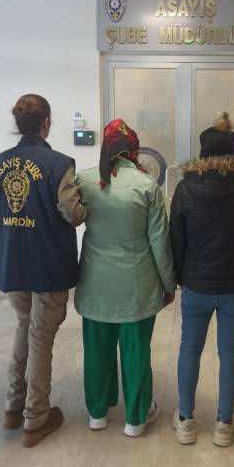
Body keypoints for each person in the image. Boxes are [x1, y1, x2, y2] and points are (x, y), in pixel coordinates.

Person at [0, 93, 86, 448]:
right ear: (46, 123)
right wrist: (88, 204)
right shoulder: (59, 164)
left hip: (11, 262)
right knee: (41, 337)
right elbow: (73, 213)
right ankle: (36, 417)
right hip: (47, 265)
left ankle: (13, 407)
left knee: (25, 326)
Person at [168, 113, 234, 447]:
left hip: (197, 282)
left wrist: (179, 277)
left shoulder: (186, 187)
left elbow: (176, 237)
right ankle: (224, 424)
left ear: (203, 153)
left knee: (189, 347)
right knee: (231, 351)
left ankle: (185, 420)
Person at [74, 119, 176, 437]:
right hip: (137, 285)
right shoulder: (146, 185)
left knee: (96, 351)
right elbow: (159, 242)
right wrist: (168, 283)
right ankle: (135, 418)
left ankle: (97, 414)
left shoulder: (84, 180)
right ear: (134, 148)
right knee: (136, 353)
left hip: (95, 282)